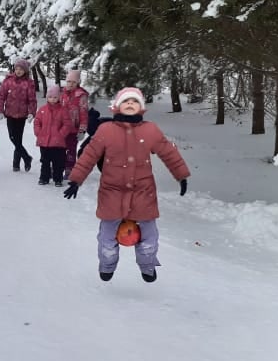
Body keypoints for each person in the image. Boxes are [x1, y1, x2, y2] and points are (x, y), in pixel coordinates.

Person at [62, 87, 190, 283]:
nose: (130, 104)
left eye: (135, 101)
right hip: (111, 192)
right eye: (126, 101)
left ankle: (147, 266)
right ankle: (107, 264)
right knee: (107, 236)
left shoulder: (150, 130)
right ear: (117, 106)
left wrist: (181, 175)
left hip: (143, 192)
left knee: (150, 236)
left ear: (141, 108)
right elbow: (89, 155)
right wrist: (76, 180)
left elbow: (168, 152)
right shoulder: (106, 130)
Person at [0, 58, 38, 172]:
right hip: (10, 113)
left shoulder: (29, 83)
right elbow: (1, 96)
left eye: (21, 69)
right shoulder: (8, 81)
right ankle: (27, 157)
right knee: (12, 137)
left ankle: (16, 164)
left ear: (25, 70)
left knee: (18, 139)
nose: (18, 71)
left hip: (22, 115)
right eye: (17, 68)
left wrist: (31, 113)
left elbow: (32, 100)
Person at [33, 84, 74, 186]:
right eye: (50, 97)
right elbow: (37, 122)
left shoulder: (63, 110)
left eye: (55, 97)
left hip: (58, 143)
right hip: (45, 142)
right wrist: (38, 132)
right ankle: (44, 178)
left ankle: (58, 179)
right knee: (45, 162)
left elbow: (67, 124)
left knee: (58, 163)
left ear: (59, 98)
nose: (52, 99)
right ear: (47, 97)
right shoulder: (42, 110)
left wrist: (61, 134)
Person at [60, 69, 89, 179]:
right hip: (62, 128)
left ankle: (69, 169)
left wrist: (82, 129)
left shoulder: (81, 96)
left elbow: (84, 113)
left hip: (74, 128)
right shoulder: (62, 93)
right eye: (69, 82)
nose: (70, 84)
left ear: (77, 83)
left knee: (71, 149)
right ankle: (59, 166)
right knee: (60, 148)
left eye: (73, 82)